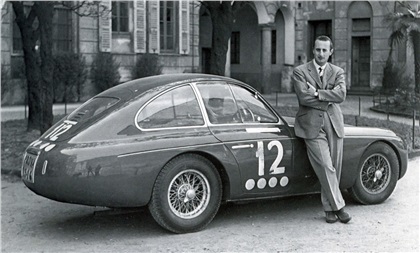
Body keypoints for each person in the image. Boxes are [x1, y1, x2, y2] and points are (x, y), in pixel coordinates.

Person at [292, 35, 351, 224]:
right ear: (313, 50)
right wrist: (329, 97)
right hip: (311, 124)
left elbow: (341, 94)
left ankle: (328, 209)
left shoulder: (338, 71)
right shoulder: (300, 71)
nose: (321, 53)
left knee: (334, 166)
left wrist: (317, 93)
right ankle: (339, 207)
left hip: (334, 122)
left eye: (325, 50)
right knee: (325, 166)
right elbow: (303, 98)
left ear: (331, 52)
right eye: (318, 49)